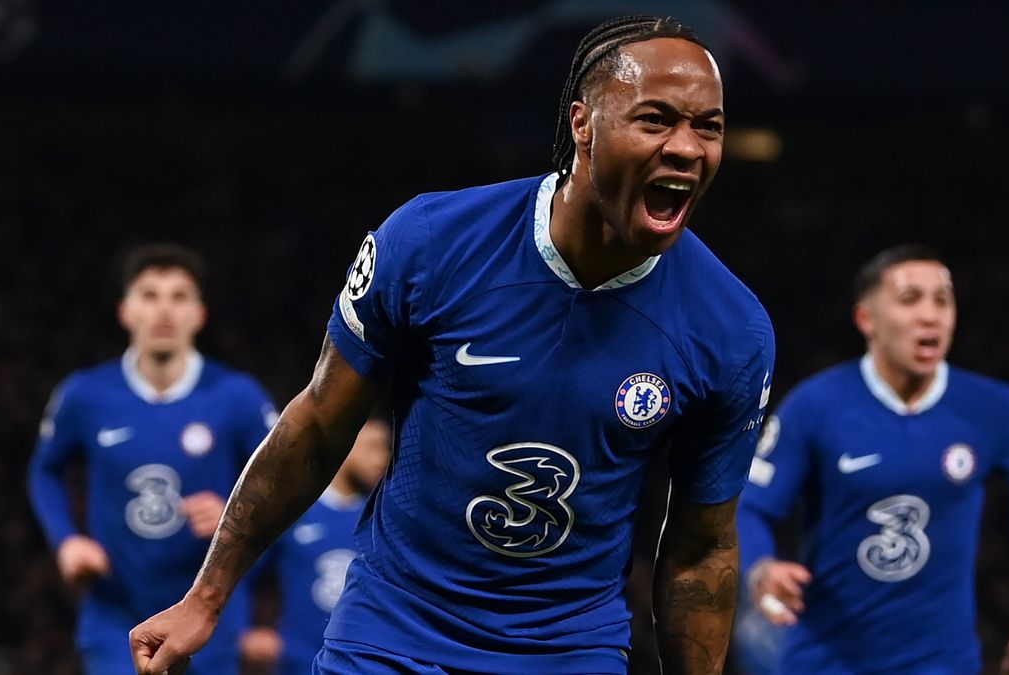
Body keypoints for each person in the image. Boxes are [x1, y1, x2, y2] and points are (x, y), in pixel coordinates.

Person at [129, 14, 776, 675]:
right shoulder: (432, 240)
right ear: (583, 123)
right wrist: (204, 599)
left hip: (566, 653)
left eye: (709, 126)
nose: (687, 147)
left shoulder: (730, 329)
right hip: (391, 634)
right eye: (656, 119)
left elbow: (701, 548)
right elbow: (319, 423)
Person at [736, 244, 1009, 674]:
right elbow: (751, 506)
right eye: (910, 299)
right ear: (866, 319)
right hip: (826, 660)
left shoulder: (994, 409)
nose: (930, 315)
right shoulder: (815, 407)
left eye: (942, 299)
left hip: (943, 663)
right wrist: (761, 569)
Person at [27, 243, 277, 675]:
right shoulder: (85, 396)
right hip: (116, 613)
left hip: (211, 613)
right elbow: (44, 470)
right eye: (150, 295)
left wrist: (238, 515)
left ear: (199, 314)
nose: (164, 310)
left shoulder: (238, 397)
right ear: (126, 311)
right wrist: (66, 540)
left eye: (179, 296)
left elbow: (285, 484)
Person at [239, 418, 392, 674]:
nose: (382, 457)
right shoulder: (294, 512)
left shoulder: (384, 519)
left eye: (387, 448)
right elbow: (242, 574)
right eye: (373, 447)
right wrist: (245, 630)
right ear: (345, 445)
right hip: (296, 660)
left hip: (363, 662)